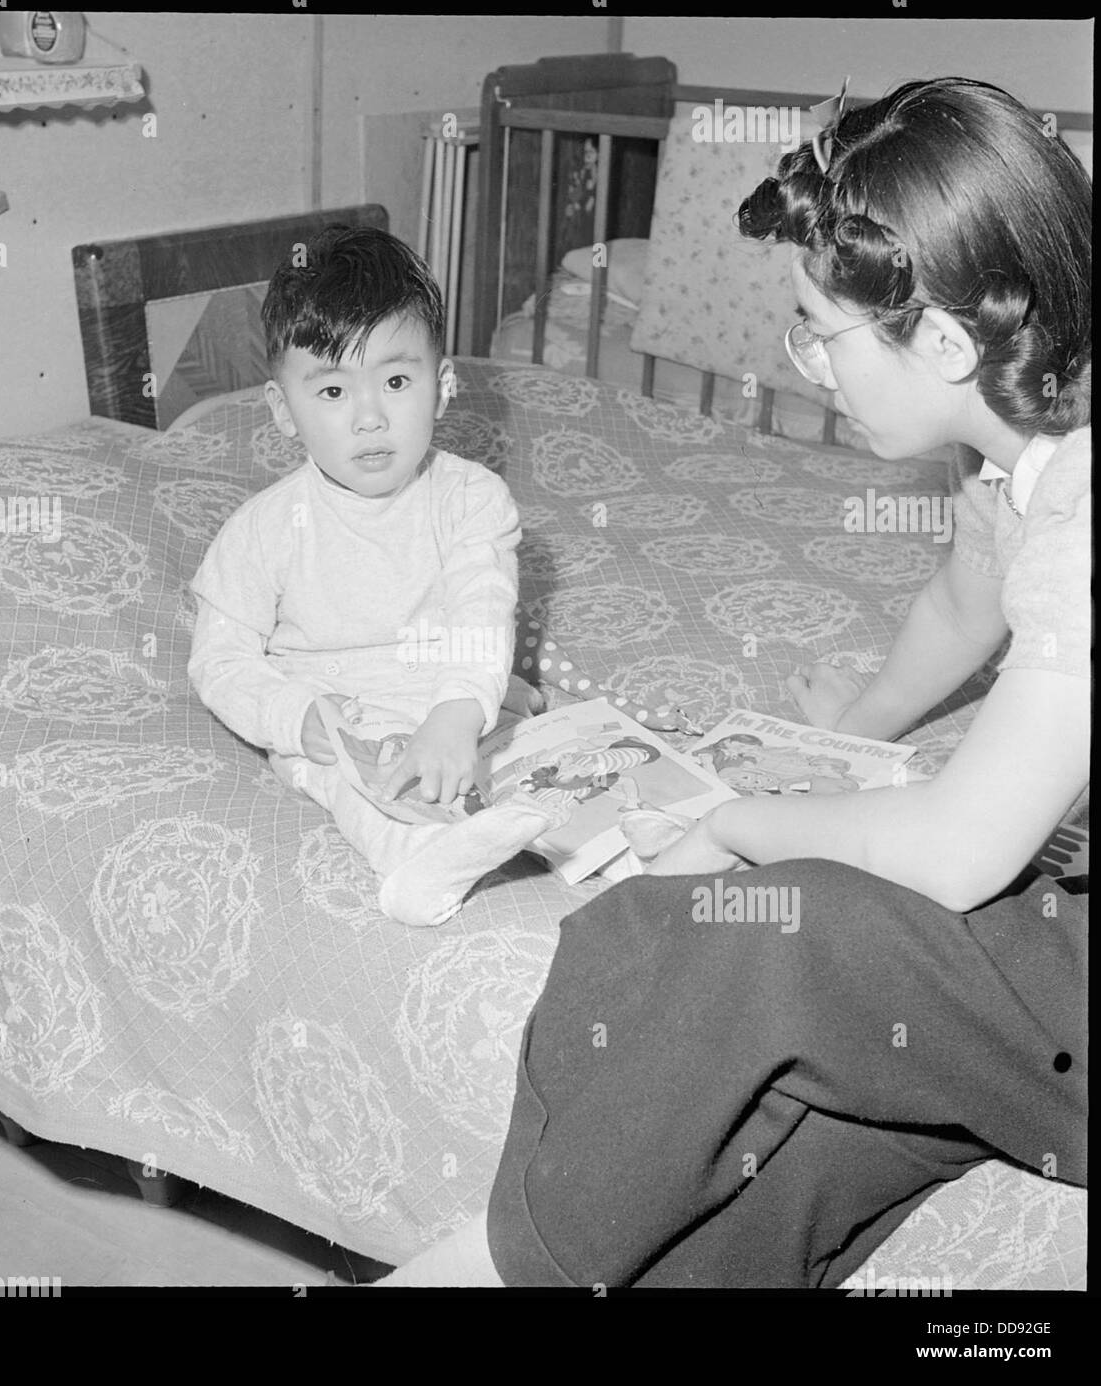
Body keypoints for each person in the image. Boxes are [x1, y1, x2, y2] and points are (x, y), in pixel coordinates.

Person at [374, 76, 1089, 1287]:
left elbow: (963, 852)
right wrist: (850, 732)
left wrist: (734, 822)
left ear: (950, 343)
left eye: (818, 328)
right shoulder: (1025, 438)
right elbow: (970, 601)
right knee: (781, 1150)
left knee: (750, 936)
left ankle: (502, 1268)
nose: (802, 359)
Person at [187, 225, 555, 928]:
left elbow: (483, 609)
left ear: (442, 387)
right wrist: (297, 721)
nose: (369, 418)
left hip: (455, 695)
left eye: (395, 380)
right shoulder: (263, 530)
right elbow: (220, 660)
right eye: (330, 390)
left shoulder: (472, 499)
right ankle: (414, 868)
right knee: (357, 783)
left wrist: (458, 711)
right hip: (341, 716)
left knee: (541, 752)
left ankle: (612, 846)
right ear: (281, 410)